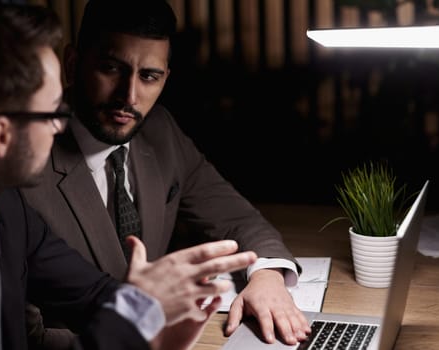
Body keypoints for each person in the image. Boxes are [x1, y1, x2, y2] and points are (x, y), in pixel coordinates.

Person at [0, 2, 257, 350]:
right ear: (1, 135)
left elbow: (94, 294)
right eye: (52, 113)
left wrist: (156, 319)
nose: (61, 124)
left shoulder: (7, 210)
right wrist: (138, 315)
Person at [21, 0, 311, 348]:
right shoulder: (20, 167)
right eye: (111, 68)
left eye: (148, 76)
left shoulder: (160, 130)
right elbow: (23, 338)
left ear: (165, 78)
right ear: (72, 64)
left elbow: (237, 217)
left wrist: (267, 277)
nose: (129, 96)